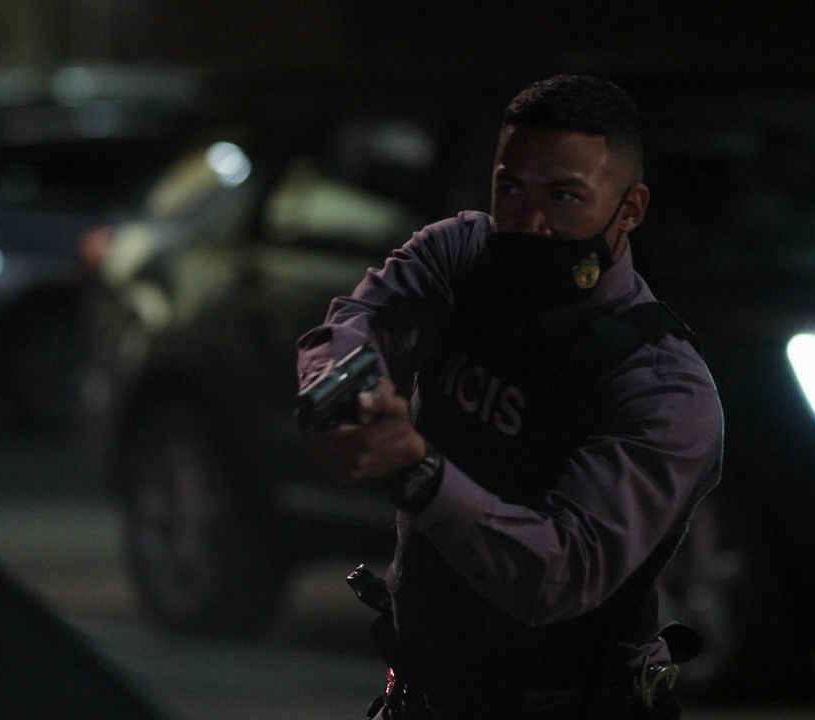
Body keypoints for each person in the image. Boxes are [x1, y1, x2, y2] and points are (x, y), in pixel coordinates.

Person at [295, 74, 724, 719]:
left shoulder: (662, 386)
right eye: (510, 188)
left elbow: (558, 575)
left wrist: (418, 474)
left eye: (564, 197)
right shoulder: (464, 257)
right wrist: (341, 394)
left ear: (629, 210)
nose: (530, 221)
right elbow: (360, 320)